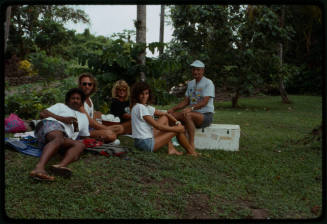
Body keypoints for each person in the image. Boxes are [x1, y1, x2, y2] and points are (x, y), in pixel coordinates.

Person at [30, 88, 90, 181]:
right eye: (73, 98)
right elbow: (43, 113)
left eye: (78, 99)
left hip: (64, 136)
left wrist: (98, 138)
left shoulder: (83, 117)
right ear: (68, 100)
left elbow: (84, 136)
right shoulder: (61, 106)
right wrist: (62, 119)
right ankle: (39, 168)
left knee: (80, 145)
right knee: (58, 139)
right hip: (50, 125)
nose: (75, 100)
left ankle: (60, 166)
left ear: (81, 102)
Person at [131, 82, 198, 156]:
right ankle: (191, 152)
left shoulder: (143, 107)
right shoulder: (140, 107)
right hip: (146, 144)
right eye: (141, 94)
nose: (144, 96)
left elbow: (166, 114)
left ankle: (171, 149)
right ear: (136, 95)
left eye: (146, 93)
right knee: (177, 131)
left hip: (139, 142)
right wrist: (177, 129)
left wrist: (177, 122)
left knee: (165, 118)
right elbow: (157, 126)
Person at [167, 60, 215, 149]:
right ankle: (176, 142)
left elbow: (204, 102)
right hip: (191, 113)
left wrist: (191, 108)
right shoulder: (191, 83)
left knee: (187, 114)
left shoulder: (208, 83)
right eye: (193, 69)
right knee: (170, 116)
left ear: (202, 71)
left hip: (206, 116)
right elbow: (186, 102)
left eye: (198, 70)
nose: (195, 72)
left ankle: (191, 145)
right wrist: (173, 109)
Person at [78, 73, 123, 142]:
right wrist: (106, 128)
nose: (87, 86)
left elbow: (93, 119)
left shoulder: (89, 99)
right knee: (111, 135)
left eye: (89, 84)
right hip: (81, 132)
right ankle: (88, 140)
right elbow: (89, 121)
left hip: (90, 130)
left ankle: (97, 138)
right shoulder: (78, 99)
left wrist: (104, 127)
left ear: (93, 86)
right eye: (84, 84)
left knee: (120, 128)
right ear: (80, 85)